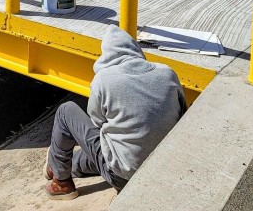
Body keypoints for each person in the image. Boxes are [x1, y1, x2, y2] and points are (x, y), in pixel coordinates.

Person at [44, 25, 186, 200]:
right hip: (165, 170)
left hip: (123, 177)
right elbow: (182, 114)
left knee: (66, 111)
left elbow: (97, 122)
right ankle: (63, 165)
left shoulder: (103, 80)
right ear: (136, 49)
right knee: (114, 147)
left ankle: (61, 182)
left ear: (106, 55)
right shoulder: (167, 73)